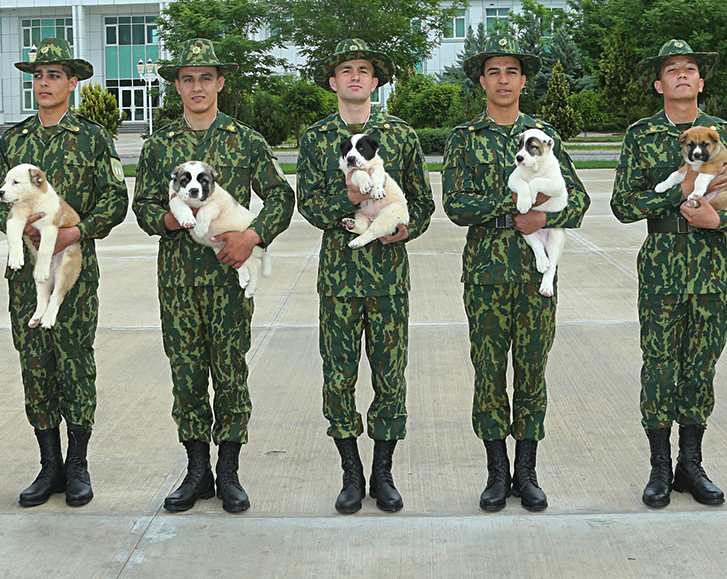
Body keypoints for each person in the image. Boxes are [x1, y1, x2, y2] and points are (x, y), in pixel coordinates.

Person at [131, 38, 294, 514]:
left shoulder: (245, 140)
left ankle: (229, 471)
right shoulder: (159, 145)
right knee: (185, 375)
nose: (197, 86)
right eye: (187, 78)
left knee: (230, 373)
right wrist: (169, 218)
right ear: (176, 86)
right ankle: (196, 469)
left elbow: (281, 196)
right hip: (179, 282)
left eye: (206, 77)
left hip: (228, 281)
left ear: (220, 83)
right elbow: (142, 207)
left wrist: (254, 236)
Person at [609, 39, 727, 508]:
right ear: (659, 84)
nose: (681, 75)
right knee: (659, 367)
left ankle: (691, 465)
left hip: (713, 267)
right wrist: (675, 198)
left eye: (690, 69)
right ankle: (659, 467)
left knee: (701, 367)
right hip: (662, 264)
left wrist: (719, 218)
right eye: (671, 69)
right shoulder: (641, 135)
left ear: (700, 81)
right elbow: (622, 204)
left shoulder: (724, 134)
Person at [442, 34, 589, 512]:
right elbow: (456, 206)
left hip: (535, 276)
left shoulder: (544, 137)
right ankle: (495, 472)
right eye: (493, 72)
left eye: (511, 71)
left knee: (531, 373)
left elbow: (579, 198)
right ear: (482, 81)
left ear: (524, 80)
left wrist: (543, 218)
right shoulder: (465, 139)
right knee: (488, 375)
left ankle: (526, 471)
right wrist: (510, 203)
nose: (502, 80)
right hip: (485, 276)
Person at [0, 37, 128, 508]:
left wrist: (79, 231)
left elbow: (115, 198)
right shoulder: (14, 139)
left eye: (53, 75)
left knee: (74, 361)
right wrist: (17, 228)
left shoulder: (92, 136)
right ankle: (49, 466)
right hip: (27, 271)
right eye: (38, 75)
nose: (44, 83)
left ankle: (78, 465)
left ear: (72, 82)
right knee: (35, 363)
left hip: (72, 270)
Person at [295, 38, 434, 514]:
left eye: (364, 70)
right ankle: (351, 472)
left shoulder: (401, 135)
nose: (355, 76)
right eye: (345, 69)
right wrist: (353, 202)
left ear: (376, 82)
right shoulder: (316, 139)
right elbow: (309, 203)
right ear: (333, 82)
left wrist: (406, 227)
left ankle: (383, 471)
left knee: (390, 376)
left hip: (389, 277)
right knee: (338, 376)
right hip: (339, 277)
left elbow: (423, 201)